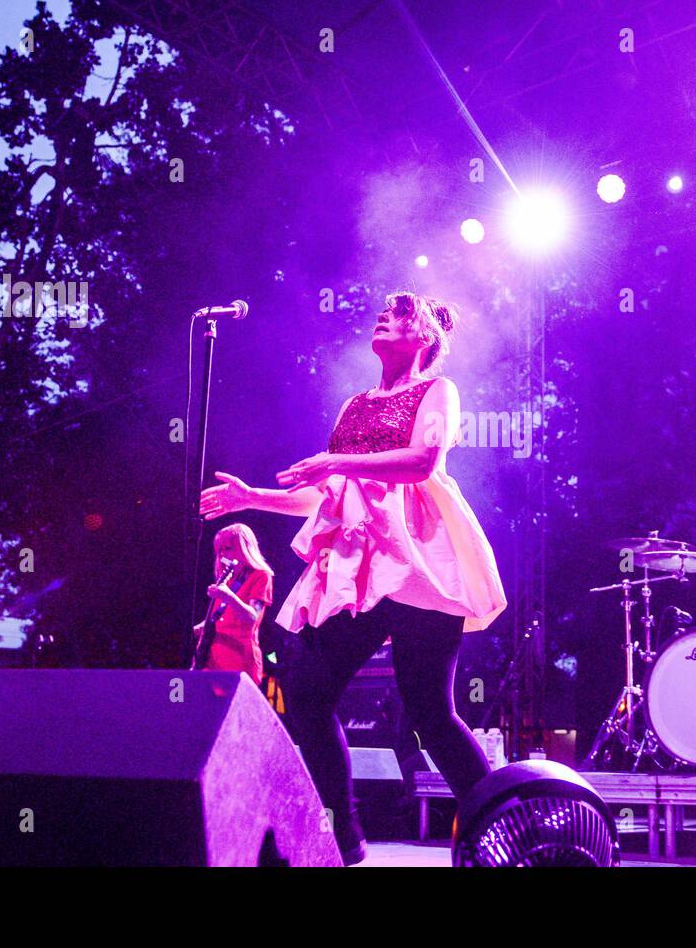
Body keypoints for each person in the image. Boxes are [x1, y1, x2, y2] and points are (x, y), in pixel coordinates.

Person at [200, 291, 506, 865]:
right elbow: (323, 497)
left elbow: (423, 461)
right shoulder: (353, 406)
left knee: (431, 714)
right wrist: (252, 498)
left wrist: (336, 462)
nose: (384, 317)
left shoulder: (438, 390)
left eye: (400, 315)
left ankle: (503, 829)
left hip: (418, 561)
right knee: (308, 695)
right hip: (355, 567)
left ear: (423, 340)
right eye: (383, 312)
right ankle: (343, 838)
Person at [194, 523, 276, 698]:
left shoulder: (260, 576)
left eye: (228, 548)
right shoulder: (228, 580)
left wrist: (228, 596)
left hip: (239, 659)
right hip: (213, 660)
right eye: (219, 550)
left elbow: (252, 617)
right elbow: (222, 616)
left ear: (244, 548)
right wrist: (201, 627)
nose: (222, 554)